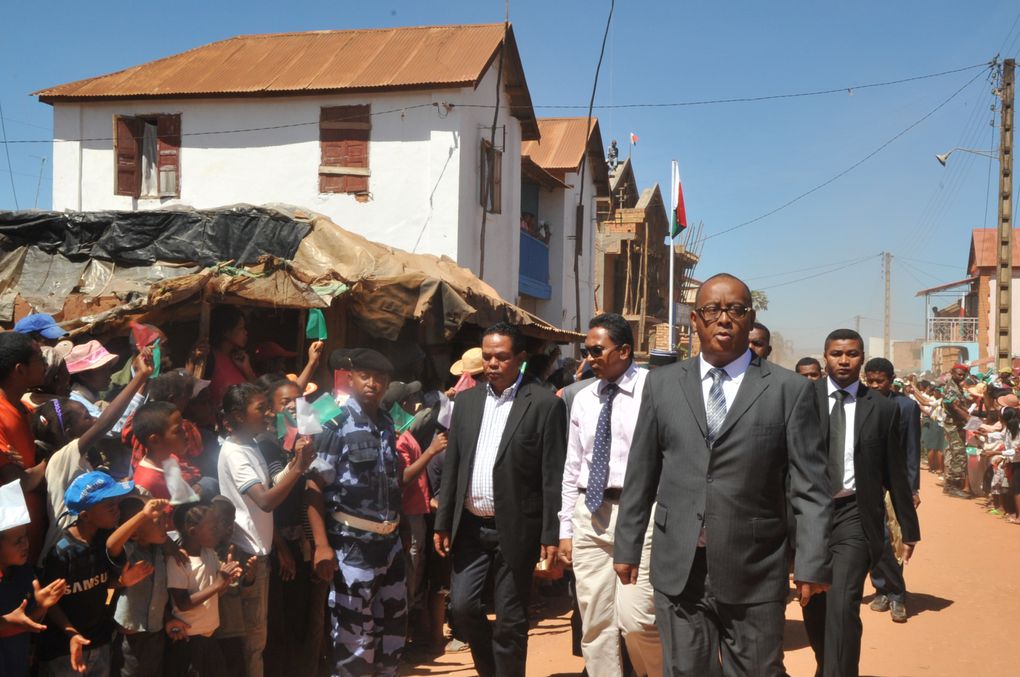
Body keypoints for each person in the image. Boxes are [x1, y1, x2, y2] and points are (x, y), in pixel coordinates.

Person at [613, 273, 832, 677]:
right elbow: (642, 471)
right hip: (680, 564)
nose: (724, 319)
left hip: (754, 566)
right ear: (695, 321)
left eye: (735, 310)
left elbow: (810, 488)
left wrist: (812, 560)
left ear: (751, 319)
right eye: (712, 310)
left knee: (757, 671)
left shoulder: (788, 390)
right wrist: (626, 544)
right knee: (685, 671)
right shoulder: (662, 385)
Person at [434, 323, 566, 677]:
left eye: (501, 357)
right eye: (487, 356)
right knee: (462, 607)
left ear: (520, 358)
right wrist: (443, 520)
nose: (492, 363)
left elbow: (553, 476)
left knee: (510, 619)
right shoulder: (465, 402)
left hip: (517, 528)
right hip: (471, 529)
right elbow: (454, 467)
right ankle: (492, 669)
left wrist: (551, 534)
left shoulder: (542, 404)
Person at [802, 329, 920, 677]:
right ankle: (829, 666)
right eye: (836, 353)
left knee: (843, 603)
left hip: (854, 513)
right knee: (816, 607)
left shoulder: (882, 409)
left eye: (852, 354)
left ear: (862, 358)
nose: (843, 360)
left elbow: (894, 471)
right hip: (809, 516)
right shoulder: (800, 398)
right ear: (825, 357)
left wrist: (909, 528)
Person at [558, 313, 662, 676]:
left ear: (625, 350)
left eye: (597, 350)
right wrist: (566, 528)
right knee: (595, 623)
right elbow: (572, 466)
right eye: (586, 351)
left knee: (638, 620)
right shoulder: (584, 399)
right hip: (590, 514)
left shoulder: (656, 390)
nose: (590, 358)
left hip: (640, 515)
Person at [307, 348, 408, 675]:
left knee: (391, 638)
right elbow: (313, 486)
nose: (373, 383)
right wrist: (322, 545)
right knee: (355, 643)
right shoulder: (334, 424)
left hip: (390, 546)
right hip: (353, 547)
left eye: (380, 378)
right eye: (365, 376)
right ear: (350, 378)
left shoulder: (387, 422)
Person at [216, 383, 315, 677]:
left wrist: (299, 462)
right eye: (261, 408)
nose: (270, 413)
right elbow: (266, 500)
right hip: (249, 555)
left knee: (257, 641)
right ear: (239, 415)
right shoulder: (235, 453)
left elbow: (269, 488)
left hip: (259, 553)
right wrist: (297, 469)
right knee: (252, 644)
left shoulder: (252, 445)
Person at [34, 348, 155, 562]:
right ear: (69, 433)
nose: (93, 420)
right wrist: (140, 378)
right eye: (86, 417)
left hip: (83, 549)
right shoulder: (62, 458)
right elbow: (105, 423)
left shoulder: (82, 459)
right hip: (62, 555)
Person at [38, 471, 153, 676]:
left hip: (99, 643)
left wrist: (121, 581)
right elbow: (51, 603)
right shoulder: (63, 552)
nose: (116, 511)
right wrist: (71, 634)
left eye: (117, 504)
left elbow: (102, 583)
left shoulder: (106, 540)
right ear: (85, 515)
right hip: (64, 650)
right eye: (109, 506)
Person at [259, 378, 329, 677]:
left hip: (304, 542)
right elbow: (270, 495)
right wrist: (282, 547)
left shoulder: (310, 436)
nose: (292, 405)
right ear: (271, 410)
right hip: (278, 546)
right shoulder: (265, 444)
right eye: (284, 401)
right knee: (280, 622)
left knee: (305, 617)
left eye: (297, 400)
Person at [388, 380, 448, 653]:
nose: (414, 405)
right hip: (409, 514)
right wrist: (431, 451)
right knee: (410, 577)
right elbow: (404, 477)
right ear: (402, 405)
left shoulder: (405, 431)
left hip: (418, 511)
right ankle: (403, 642)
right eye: (409, 401)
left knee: (417, 571)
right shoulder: (399, 438)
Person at [863, 357, 922, 623]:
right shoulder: (861, 403)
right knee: (873, 538)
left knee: (894, 540)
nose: (875, 386)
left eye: (880, 381)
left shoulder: (907, 407)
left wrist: (912, 488)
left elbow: (912, 449)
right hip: (867, 483)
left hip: (895, 485)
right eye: (870, 381)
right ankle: (880, 589)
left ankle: (897, 594)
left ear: (891, 380)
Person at [167, 503, 244, 676]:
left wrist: (227, 579)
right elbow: (183, 604)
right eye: (213, 527)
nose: (218, 531)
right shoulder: (178, 561)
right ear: (193, 531)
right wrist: (218, 583)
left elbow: (216, 591)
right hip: (188, 639)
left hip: (209, 637)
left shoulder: (209, 554)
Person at [0, 479, 66, 675]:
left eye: (26, 536)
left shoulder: (23, 572)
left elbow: (27, 621)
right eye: (17, 541)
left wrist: (42, 606)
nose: (26, 544)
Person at [109, 496, 181, 677]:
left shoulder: (158, 550)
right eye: (157, 523)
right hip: (131, 637)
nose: (165, 527)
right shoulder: (129, 552)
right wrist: (143, 514)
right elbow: (111, 544)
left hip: (155, 632)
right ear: (134, 532)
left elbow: (159, 592)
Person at [0, 332, 48, 563]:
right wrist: (54, 459)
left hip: (31, 538)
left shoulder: (24, 410)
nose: (46, 364)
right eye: (40, 358)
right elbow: (18, 483)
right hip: (11, 550)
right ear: (20, 369)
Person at [208, 306, 256, 409]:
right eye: (240, 328)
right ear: (226, 331)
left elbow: (257, 394)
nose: (245, 332)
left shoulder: (238, 359)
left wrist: (247, 369)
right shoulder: (210, 359)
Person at [65, 340, 120, 420]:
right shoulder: (78, 405)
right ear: (83, 375)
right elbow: (111, 425)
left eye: (109, 368)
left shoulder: (91, 396)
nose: (110, 373)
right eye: (104, 369)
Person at [940, 365, 971, 498]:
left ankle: (951, 485)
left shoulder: (957, 386)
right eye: (958, 374)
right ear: (952, 372)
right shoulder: (951, 387)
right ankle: (953, 486)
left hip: (958, 424)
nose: (961, 376)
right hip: (953, 425)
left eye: (963, 375)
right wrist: (970, 419)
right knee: (958, 454)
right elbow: (955, 407)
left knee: (955, 454)